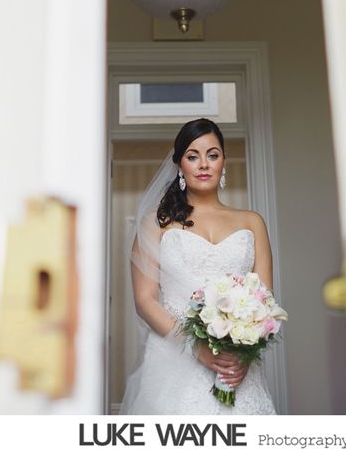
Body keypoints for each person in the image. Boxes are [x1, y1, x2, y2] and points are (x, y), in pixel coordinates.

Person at [119, 118, 278, 415]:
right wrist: (196, 348)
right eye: (193, 156)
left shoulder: (252, 222)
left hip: (236, 367)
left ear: (223, 162)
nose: (204, 164)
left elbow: (264, 300)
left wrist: (244, 355)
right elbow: (144, 300)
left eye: (213, 155)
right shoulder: (156, 223)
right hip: (174, 359)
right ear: (180, 165)